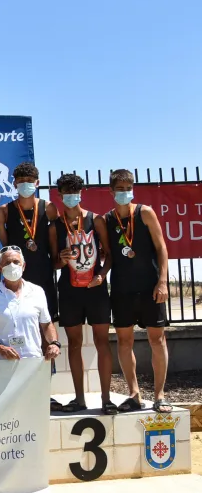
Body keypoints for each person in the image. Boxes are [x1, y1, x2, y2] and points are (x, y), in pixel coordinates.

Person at [104, 169, 171, 413]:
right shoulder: (107, 219)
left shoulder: (145, 212)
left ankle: (160, 395)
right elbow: (108, 254)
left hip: (150, 288)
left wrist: (162, 281)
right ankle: (134, 394)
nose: (124, 192)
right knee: (124, 340)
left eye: (128, 188)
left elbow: (161, 247)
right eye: (119, 188)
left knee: (157, 339)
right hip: (122, 289)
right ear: (111, 191)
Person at [48, 174, 115, 414]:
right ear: (59, 195)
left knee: (102, 342)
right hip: (69, 291)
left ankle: (106, 398)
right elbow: (54, 263)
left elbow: (108, 254)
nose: (70, 197)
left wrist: (102, 275)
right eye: (65, 193)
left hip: (95, 290)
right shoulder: (55, 226)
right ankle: (79, 399)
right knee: (74, 344)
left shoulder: (96, 220)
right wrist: (61, 259)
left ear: (81, 193)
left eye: (74, 192)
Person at [0, 246, 61, 366]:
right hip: (2, 364)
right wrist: (0, 348)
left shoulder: (37, 291)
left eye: (16, 262)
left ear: (23, 266)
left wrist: (54, 343)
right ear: (0, 268)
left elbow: (46, 324)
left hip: (33, 361)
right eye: (7, 263)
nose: (12, 266)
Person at [0, 162, 58, 321]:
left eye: (30, 180)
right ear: (15, 183)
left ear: (37, 183)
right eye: (21, 180)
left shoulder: (48, 207)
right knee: (18, 320)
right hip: (17, 274)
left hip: (43, 272)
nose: (25, 184)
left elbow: (55, 236)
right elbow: (6, 244)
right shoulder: (5, 210)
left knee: (45, 322)